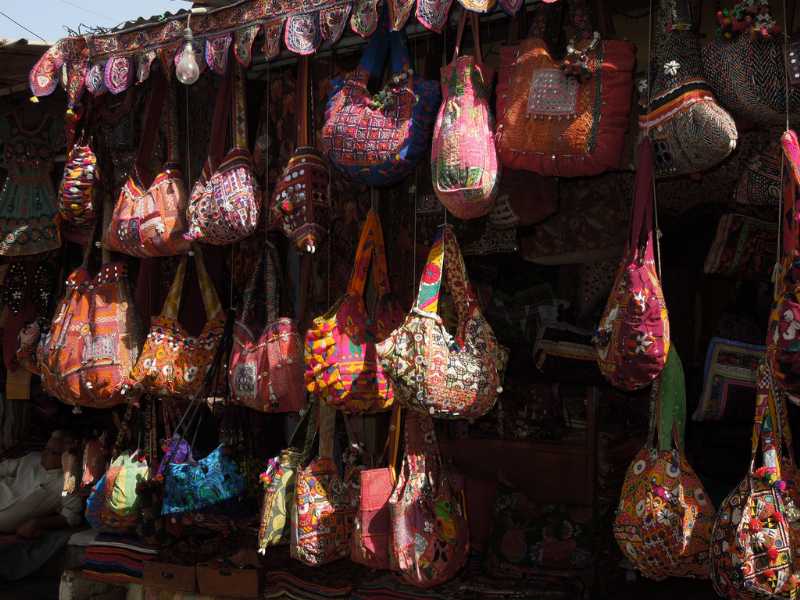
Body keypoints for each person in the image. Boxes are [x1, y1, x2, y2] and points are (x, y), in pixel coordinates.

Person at [0, 430, 83, 538]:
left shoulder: (67, 482)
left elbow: (71, 515)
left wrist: (37, 523)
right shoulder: (32, 459)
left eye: (52, 452)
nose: (44, 454)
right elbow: (3, 468)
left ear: (65, 458)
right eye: (46, 448)